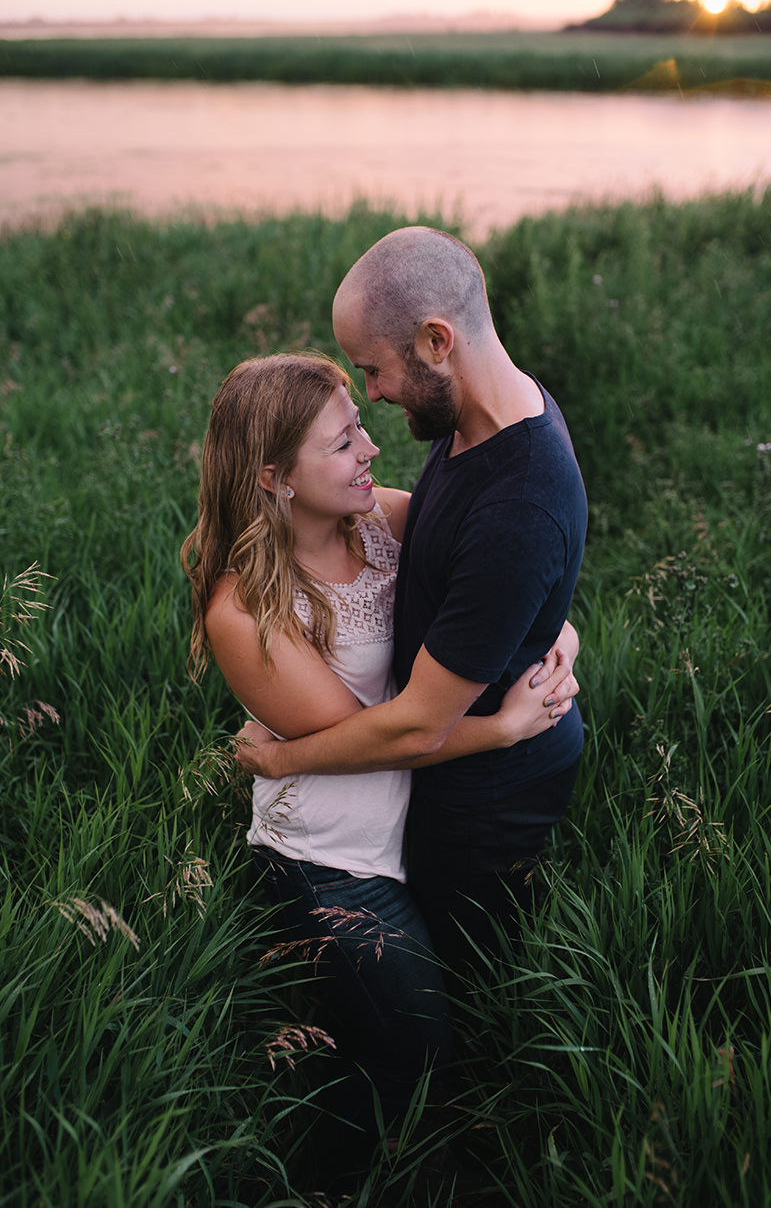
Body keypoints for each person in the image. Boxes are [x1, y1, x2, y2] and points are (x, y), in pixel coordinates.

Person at [181, 352, 577, 1156]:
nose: (368, 448)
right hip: (331, 858)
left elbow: (507, 579)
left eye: (358, 425)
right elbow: (375, 740)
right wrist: (504, 727)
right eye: (339, 441)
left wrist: (558, 636)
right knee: (419, 1053)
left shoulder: (383, 520)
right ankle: (313, 1171)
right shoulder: (246, 609)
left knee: (478, 998)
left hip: (423, 829)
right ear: (272, 477)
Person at [235, 227, 588, 983]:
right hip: (435, 774)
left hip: (483, 792)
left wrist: (277, 760)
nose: (371, 394)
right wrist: (547, 619)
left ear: (435, 340)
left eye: (373, 369)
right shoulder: (477, 422)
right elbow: (468, 558)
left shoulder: (517, 500)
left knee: (469, 988)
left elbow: (424, 722)